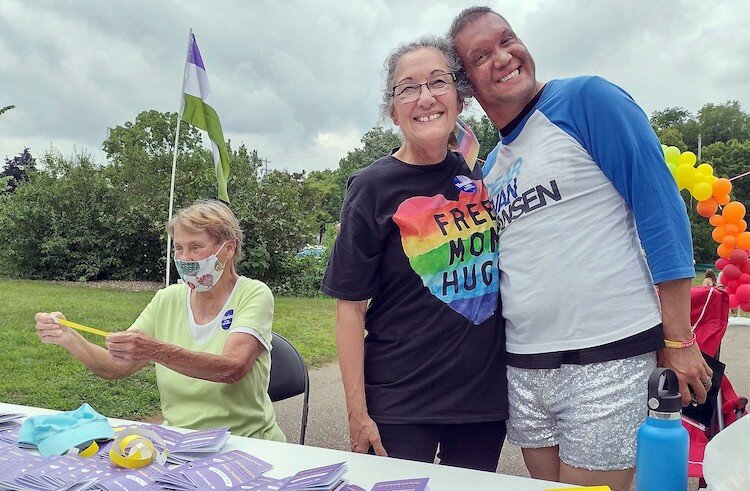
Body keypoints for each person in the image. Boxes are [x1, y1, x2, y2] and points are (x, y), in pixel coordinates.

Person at [449, 7, 712, 489]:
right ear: (466, 85)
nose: (503, 57)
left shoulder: (587, 99)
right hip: (526, 367)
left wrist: (678, 339)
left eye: (508, 40)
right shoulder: (491, 167)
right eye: (481, 55)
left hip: (607, 358)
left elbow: (661, 212)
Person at [321, 36, 507, 472]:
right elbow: (349, 308)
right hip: (399, 401)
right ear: (392, 110)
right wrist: (357, 414)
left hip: (480, 403)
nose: (425, 97)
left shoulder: (485, 177)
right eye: (407, 87)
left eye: (438, 82)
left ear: (459, 100)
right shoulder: (371, 187)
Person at [34, 199, 285, 441]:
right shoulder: (167, 299)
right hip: (181, 442)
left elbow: (233, 368)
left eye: (196, 247)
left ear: (228, 248)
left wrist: (156, 351)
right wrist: (69, 338)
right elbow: (117, 365)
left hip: (246, 440)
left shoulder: (253, 293)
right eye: (179, 247)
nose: (184, 258)